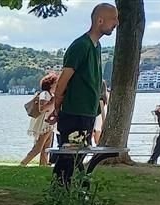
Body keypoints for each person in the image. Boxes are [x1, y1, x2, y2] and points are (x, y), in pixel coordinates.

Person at [48, 3, 118, 184]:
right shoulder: (81, 46)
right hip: (74, 112)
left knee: (79, 157)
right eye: (113, 18)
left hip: (87, 112)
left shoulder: (97, 46)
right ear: (99, 20)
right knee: (68, 159)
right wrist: (57, 107)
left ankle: (71, 195)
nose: (117, 23)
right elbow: (64, 79)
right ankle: (59, 196)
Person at [20, 73, 59, 166]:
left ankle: (43, 166)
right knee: (38, 147)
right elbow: (42, 108)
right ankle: (23, 163)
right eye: (56, 82)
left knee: (46, 147)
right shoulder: (45, 94)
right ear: (51, 84)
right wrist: (53, 101)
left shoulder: (50, 94)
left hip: (48, 124)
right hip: (43, 124)